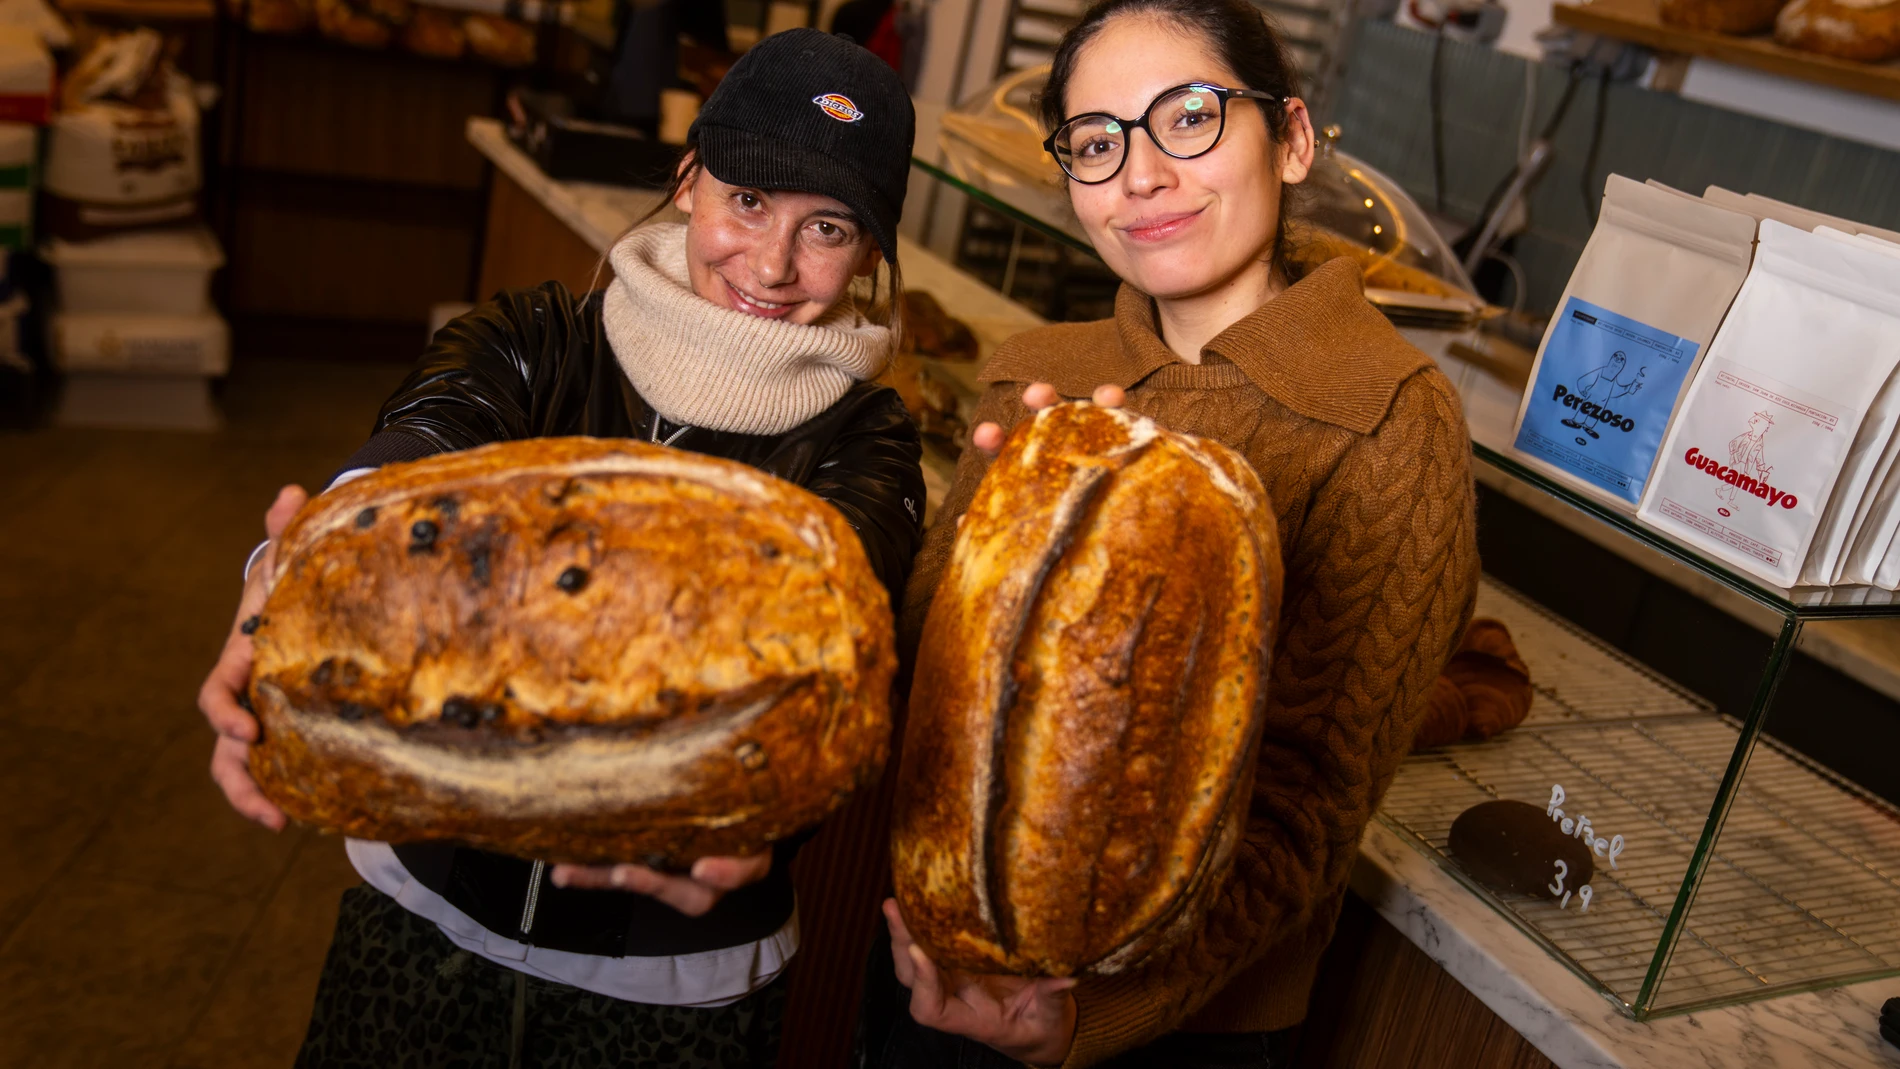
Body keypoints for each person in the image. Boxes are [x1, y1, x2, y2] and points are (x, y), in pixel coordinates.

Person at [197, 28, 924, 1068]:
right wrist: (291, 576)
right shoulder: (535, 339)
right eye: (749, 200)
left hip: (674, 978)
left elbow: (839, 621)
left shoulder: (869, 440)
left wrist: (760, 800)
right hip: (428, 909)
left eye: (830, 227)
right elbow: (420, 448)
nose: (770, 261)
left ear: (869, 254)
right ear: (688, 180)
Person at [860, 1, 1481, 1066]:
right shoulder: (1033, 372)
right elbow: (936, 701)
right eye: (1096, 143)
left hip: (1173, 1027)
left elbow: (1306, 807)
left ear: (1288, 140)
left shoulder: (1388, 418)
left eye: (1188, 117)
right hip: (940, 963)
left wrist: (1080, 1019)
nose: (1138, 175)